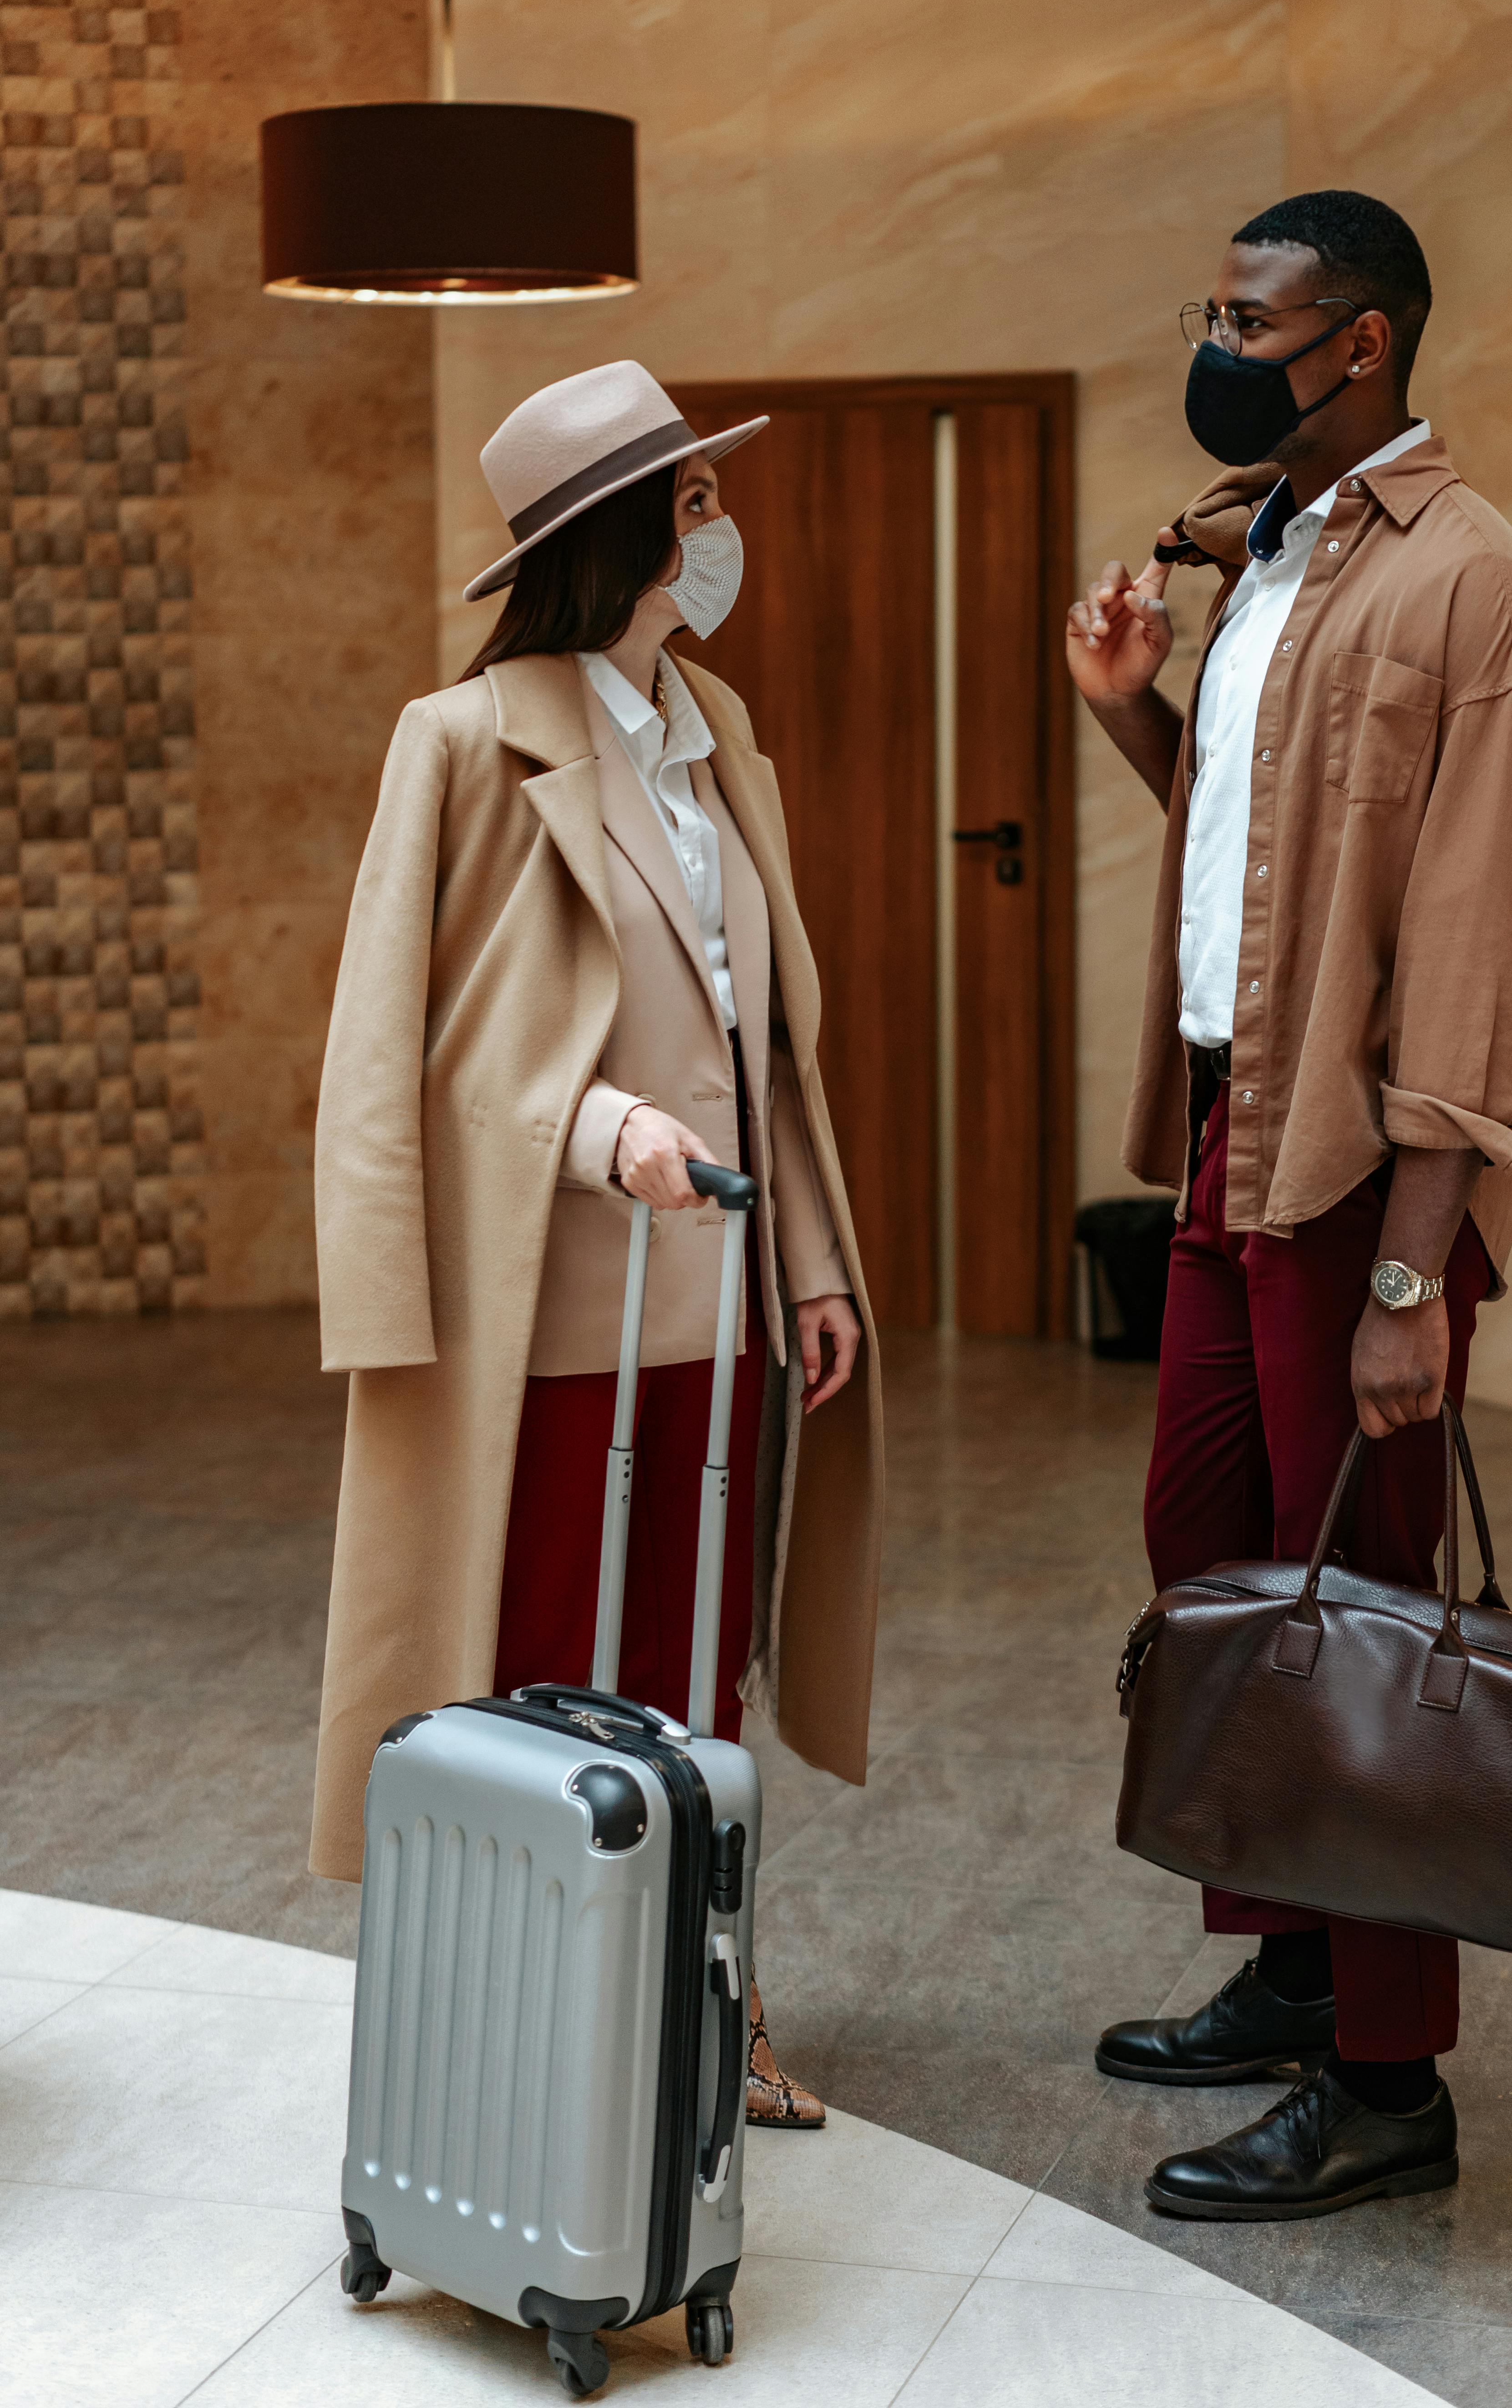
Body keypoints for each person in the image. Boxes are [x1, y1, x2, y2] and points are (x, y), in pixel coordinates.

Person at [1069, 192, 1512, 2220]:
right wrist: (1141, 709)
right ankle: (1303, 1965)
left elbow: (1484, 963)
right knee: (1217, 1547)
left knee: (1373, 1608)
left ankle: (1392, 2082)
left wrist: (1412, 1264)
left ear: (1364, 343)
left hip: (1354, 1178)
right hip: (1245, 1130)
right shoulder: (1276, 558)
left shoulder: (1473, 595)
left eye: (1249, 317)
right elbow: (1276, 873)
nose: (1215, 343)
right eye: (1211, 305)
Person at [308, 359, 885, 2129]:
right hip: (549, 1310)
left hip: (717, 1298)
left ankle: (717, 2008)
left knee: (693, 1677)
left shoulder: (723, 744)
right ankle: (540, 2040)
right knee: (548, 1670)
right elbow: (405, 1048)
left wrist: (810, 1259)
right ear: (634, 533)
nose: (722, 531)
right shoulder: (468, 742)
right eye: (699, 503)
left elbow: (756, 1036)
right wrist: (592, 1129)